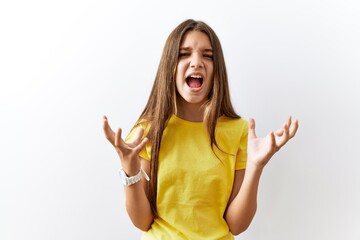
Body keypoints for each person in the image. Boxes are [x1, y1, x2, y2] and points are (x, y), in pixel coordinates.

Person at [103, 19, 298, 240]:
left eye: (208, 55)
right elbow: (142, 221)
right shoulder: (148, 131)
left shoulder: (239, 131)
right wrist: (130, 170)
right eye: (184, 54)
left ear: (217, 70)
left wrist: (256, 166)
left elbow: (236, 224)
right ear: (170, 66)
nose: (197, 62)